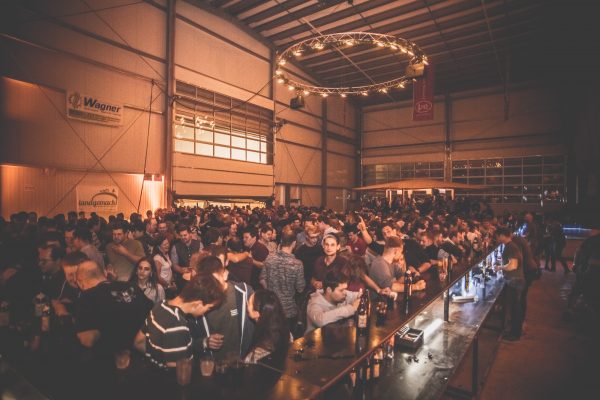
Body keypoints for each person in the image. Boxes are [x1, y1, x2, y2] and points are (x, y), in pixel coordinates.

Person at [134, 274, 225, 369]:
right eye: (209, 308)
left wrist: (205, 342)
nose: (206, 312)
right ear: (198, 304)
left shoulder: (160, 305)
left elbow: (138, 342)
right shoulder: (177, 323)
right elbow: (179, 368)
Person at [74, 260, 153, 356]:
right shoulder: (133, 287)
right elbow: (153, 314)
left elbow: (87, 340)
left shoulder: (86, 298)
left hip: (109, 360)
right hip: (141, 354)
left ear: (80, 283)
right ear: (105, 273)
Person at [188, 256, 254, 361]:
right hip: (212, 365)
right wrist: (205, 342)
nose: (211, 285)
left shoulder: (244, 293)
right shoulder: (197, 302)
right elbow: (188, 341)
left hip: (240, 362)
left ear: (225, 275)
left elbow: (259, 327)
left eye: (214, 280)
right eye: (207, 281)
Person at [259, 231, 305, 336]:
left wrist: (271, 292)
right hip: (289, 310)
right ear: (294, 243)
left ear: (281, 241)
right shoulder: (297, 264)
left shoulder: (269, 258)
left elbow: (262, 279)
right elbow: (300, 288)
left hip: (272, 308)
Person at [305, 270, 361, 334]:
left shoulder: (343, 295)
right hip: (315, 338)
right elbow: (320, 321)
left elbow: (359, 295)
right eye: (341, 290)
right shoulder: (314, 303)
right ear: (329, 290)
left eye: (345, 289)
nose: (345, 293)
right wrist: (350, 308)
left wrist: (360, 297)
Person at [494, 227, 525, 341]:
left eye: (497, 236)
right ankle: (515, 331)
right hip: (515, 280)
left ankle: (515, 334)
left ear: (502, 235)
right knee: (514, 307)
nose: (497, 239)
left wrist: (500, 268)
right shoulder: (511, 246)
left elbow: (513, 266)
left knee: (514, 308)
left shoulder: (510, 247)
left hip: (514, 280)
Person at [244, 289, 290, 364]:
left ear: (256, 314)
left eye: (249, 303)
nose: (246, 304)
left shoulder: (256, 355)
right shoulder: (286, 332)